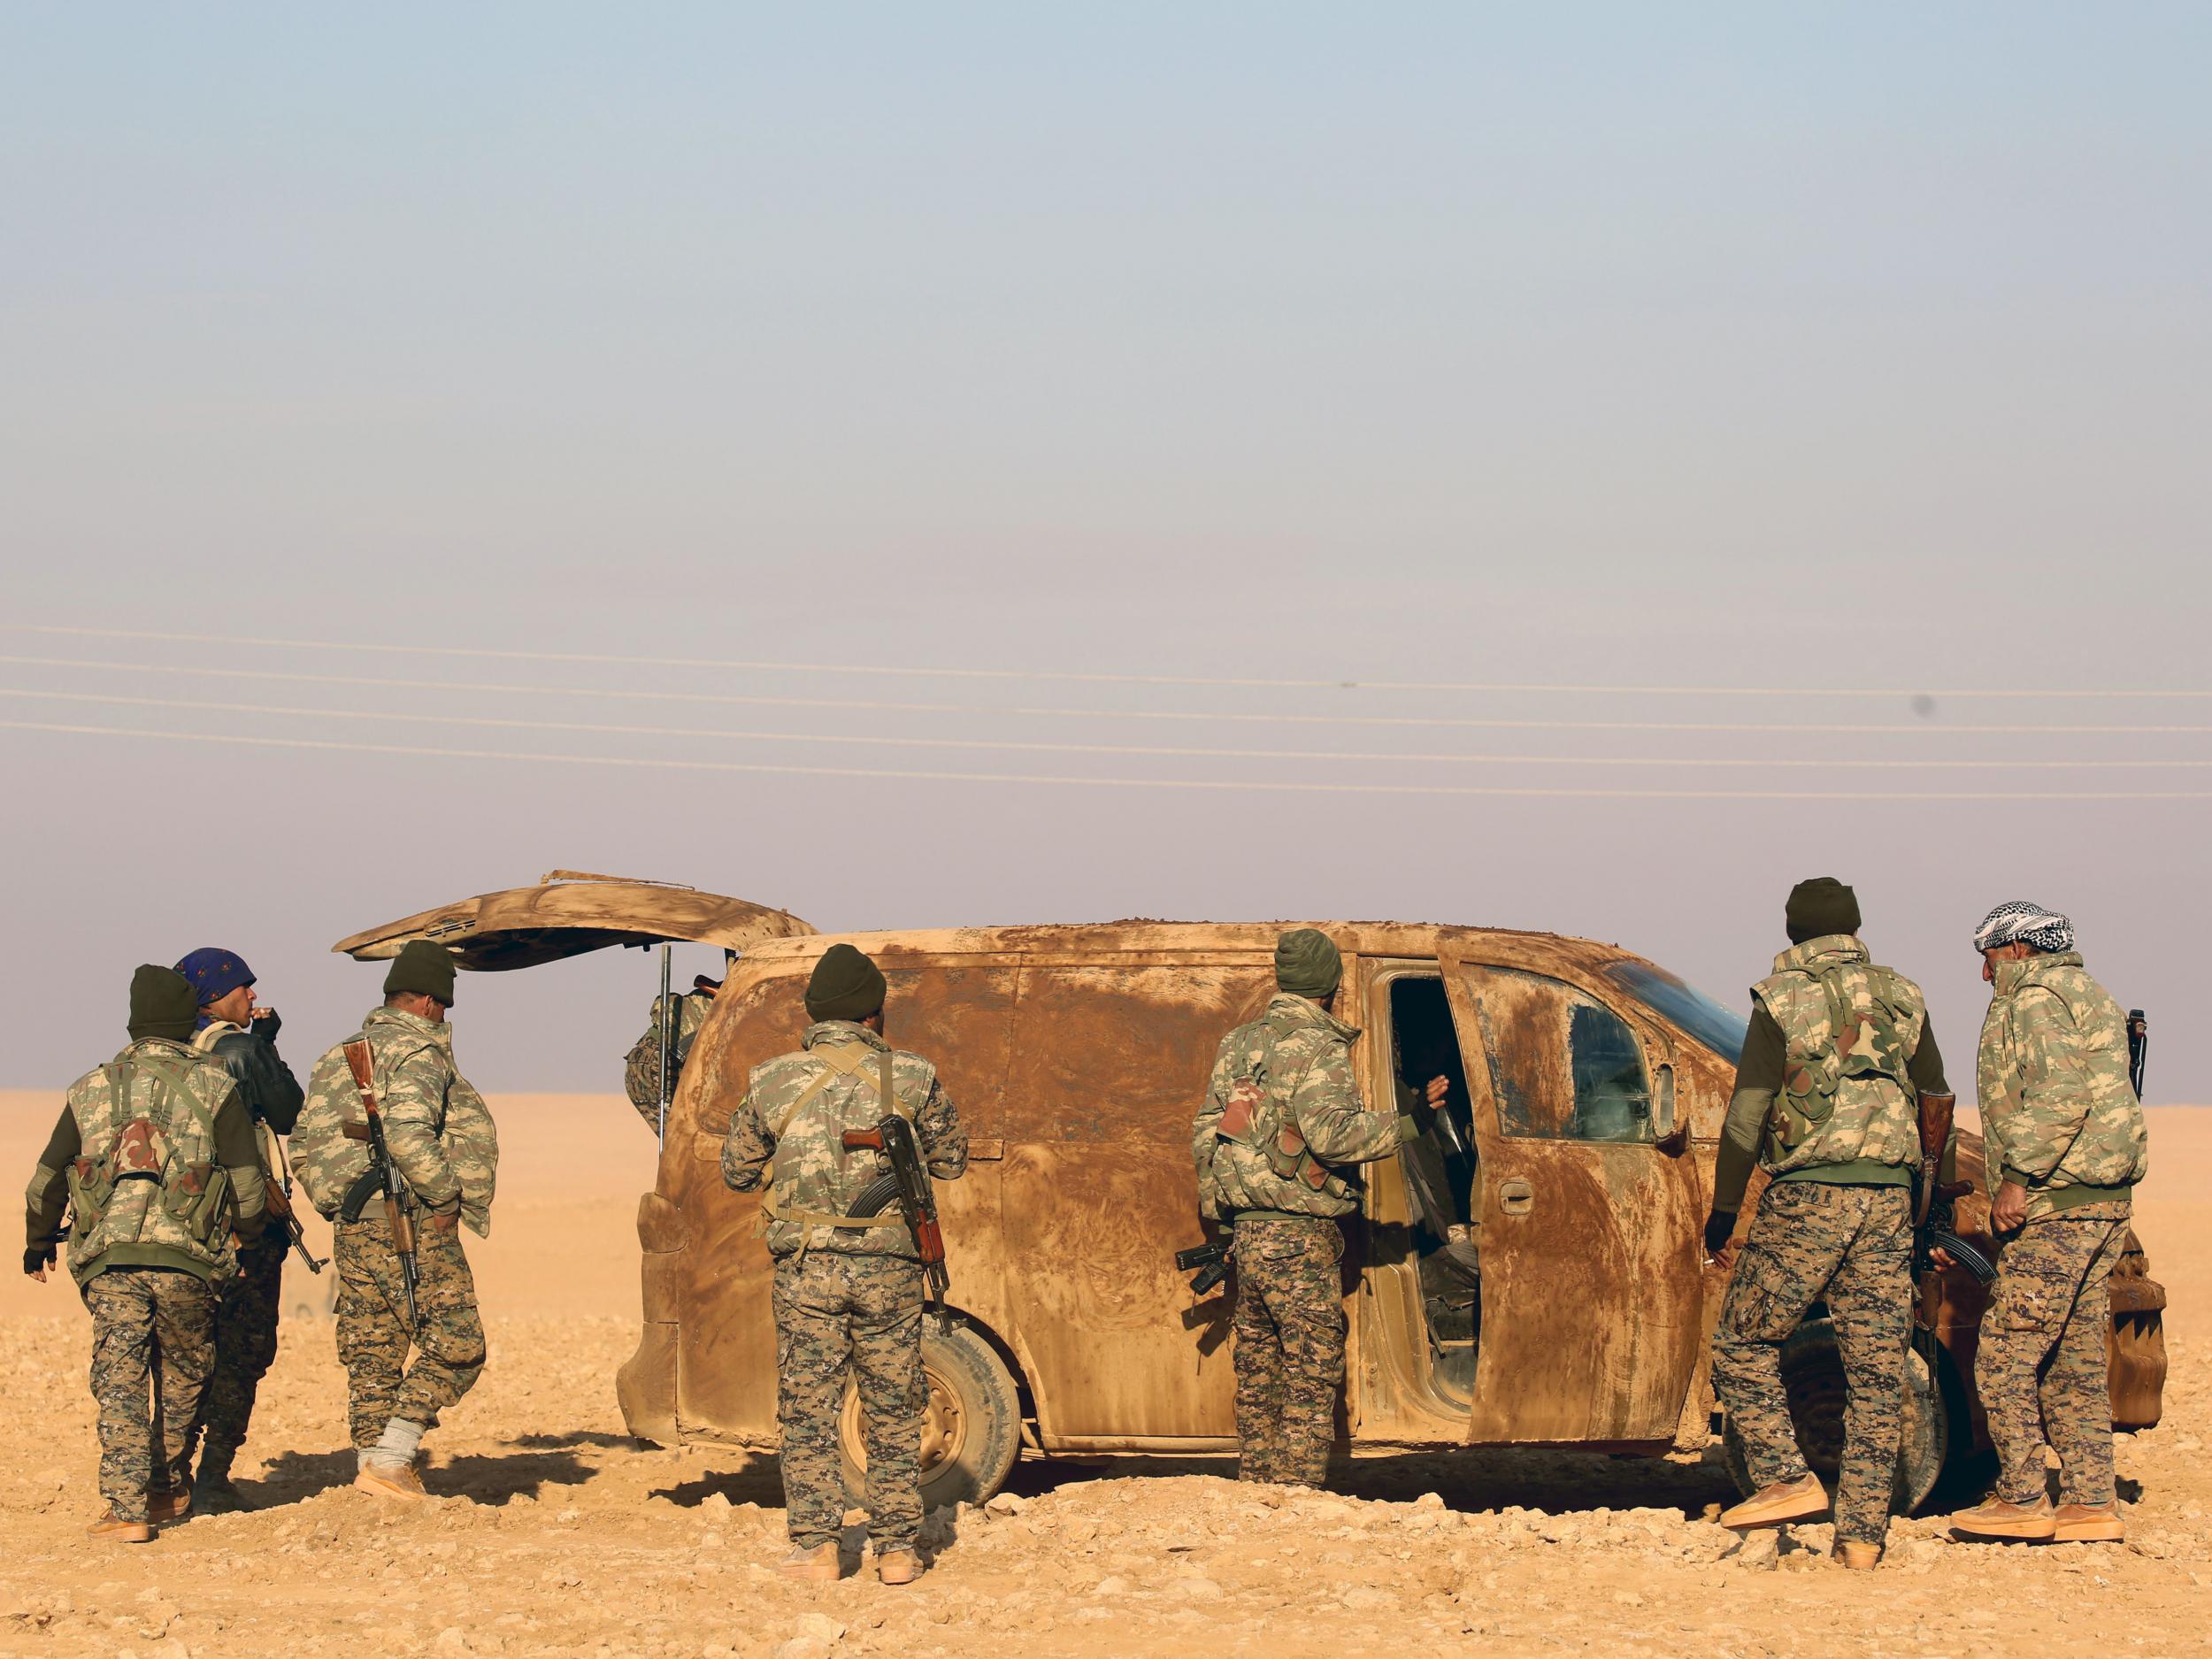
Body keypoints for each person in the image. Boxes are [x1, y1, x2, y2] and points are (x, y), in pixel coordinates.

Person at [1701, 879, 1948, 1570]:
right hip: (1890, 1201)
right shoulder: (1904, 995)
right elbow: (1935, 1098)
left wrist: (1724, 1212)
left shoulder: (1781, 999)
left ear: (1793, 932)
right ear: (1854, 925)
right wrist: (1922, 1205)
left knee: (1742, 1340)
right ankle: (1863, 1539)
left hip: (1810, 1196)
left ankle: (1784, 1475)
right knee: (1875, 1374)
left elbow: (1749, 1113)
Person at [719, 943, 967, 1586]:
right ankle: (895, 1549)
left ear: (816, 1014)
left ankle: (817, 1549)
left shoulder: (772, 1079)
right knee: (894, 1404)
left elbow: (737, 1170)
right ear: (875, 1015)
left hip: (808, 1270)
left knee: (809, 1407)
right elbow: (953, 1159)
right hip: (890, 1269)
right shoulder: (914, 1076)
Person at [22, 965, 267, 1540]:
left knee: (120, 1376)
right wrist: (249, 1242)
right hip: (191, 1261)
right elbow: (248, 1181)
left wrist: (38, 1244)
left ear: (134, 1021)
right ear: (187, 1022)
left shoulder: (91, 1087)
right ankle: (165, 1485)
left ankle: (127, 1509)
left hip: (112, 1262)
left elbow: (44, 1182)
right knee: (185, 1375)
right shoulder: (214, 1085)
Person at [1948, 902, 2149, 1544]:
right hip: (2104, 1200)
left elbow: (2062, 1096)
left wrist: (2017, 1179)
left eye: (1989, 957)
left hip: (2059, 1202)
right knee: (2074, 1358)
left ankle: (2023, 1496)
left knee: (2006, 1350)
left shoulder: (2034, 999)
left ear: (2019, 950)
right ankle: (2091, 1501)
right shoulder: (2086, 991)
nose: (1984, 974)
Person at [1191, 928, 1416, 1487]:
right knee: (1310, 1363)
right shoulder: (1320, 1047)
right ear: (1331, 986)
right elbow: (1333, 1135)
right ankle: (1295, 1490)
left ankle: (1259, 1485)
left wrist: (1223, 1211)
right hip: (1298, 1233)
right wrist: (1413, 1124)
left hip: (1247, 1232)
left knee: (1259, 1361)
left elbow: (1207, 1132)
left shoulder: (1240, 1043)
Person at [290, 940, 498, 1501]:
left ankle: (374, 1470)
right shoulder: (415, 1053)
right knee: (458, 1343)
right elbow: (408, 1135)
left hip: (356, 1224)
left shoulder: (338, 1055)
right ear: (431, 1002)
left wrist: (339, 1201)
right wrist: (446, 1198)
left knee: (373, 1347)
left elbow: (303, 1145)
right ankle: (392, 1457)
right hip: (410, 1218)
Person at [173, 946, 306, 1512]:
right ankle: (213, 1479)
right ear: (213, 996)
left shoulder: (170, 1053)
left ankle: (168, 1476)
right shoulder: (240, 1049)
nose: (253, 996)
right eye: (243, 988)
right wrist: (265, 1048)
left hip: (182, 1227)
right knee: (244, 1349)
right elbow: (287, 1110)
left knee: (180, 1354)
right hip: (245, 1225)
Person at [623, 965, 724, 1132]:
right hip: (657, 1064)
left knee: (689, 1139)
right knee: (683, 1139)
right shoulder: (729, 1001)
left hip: (655, 1061)